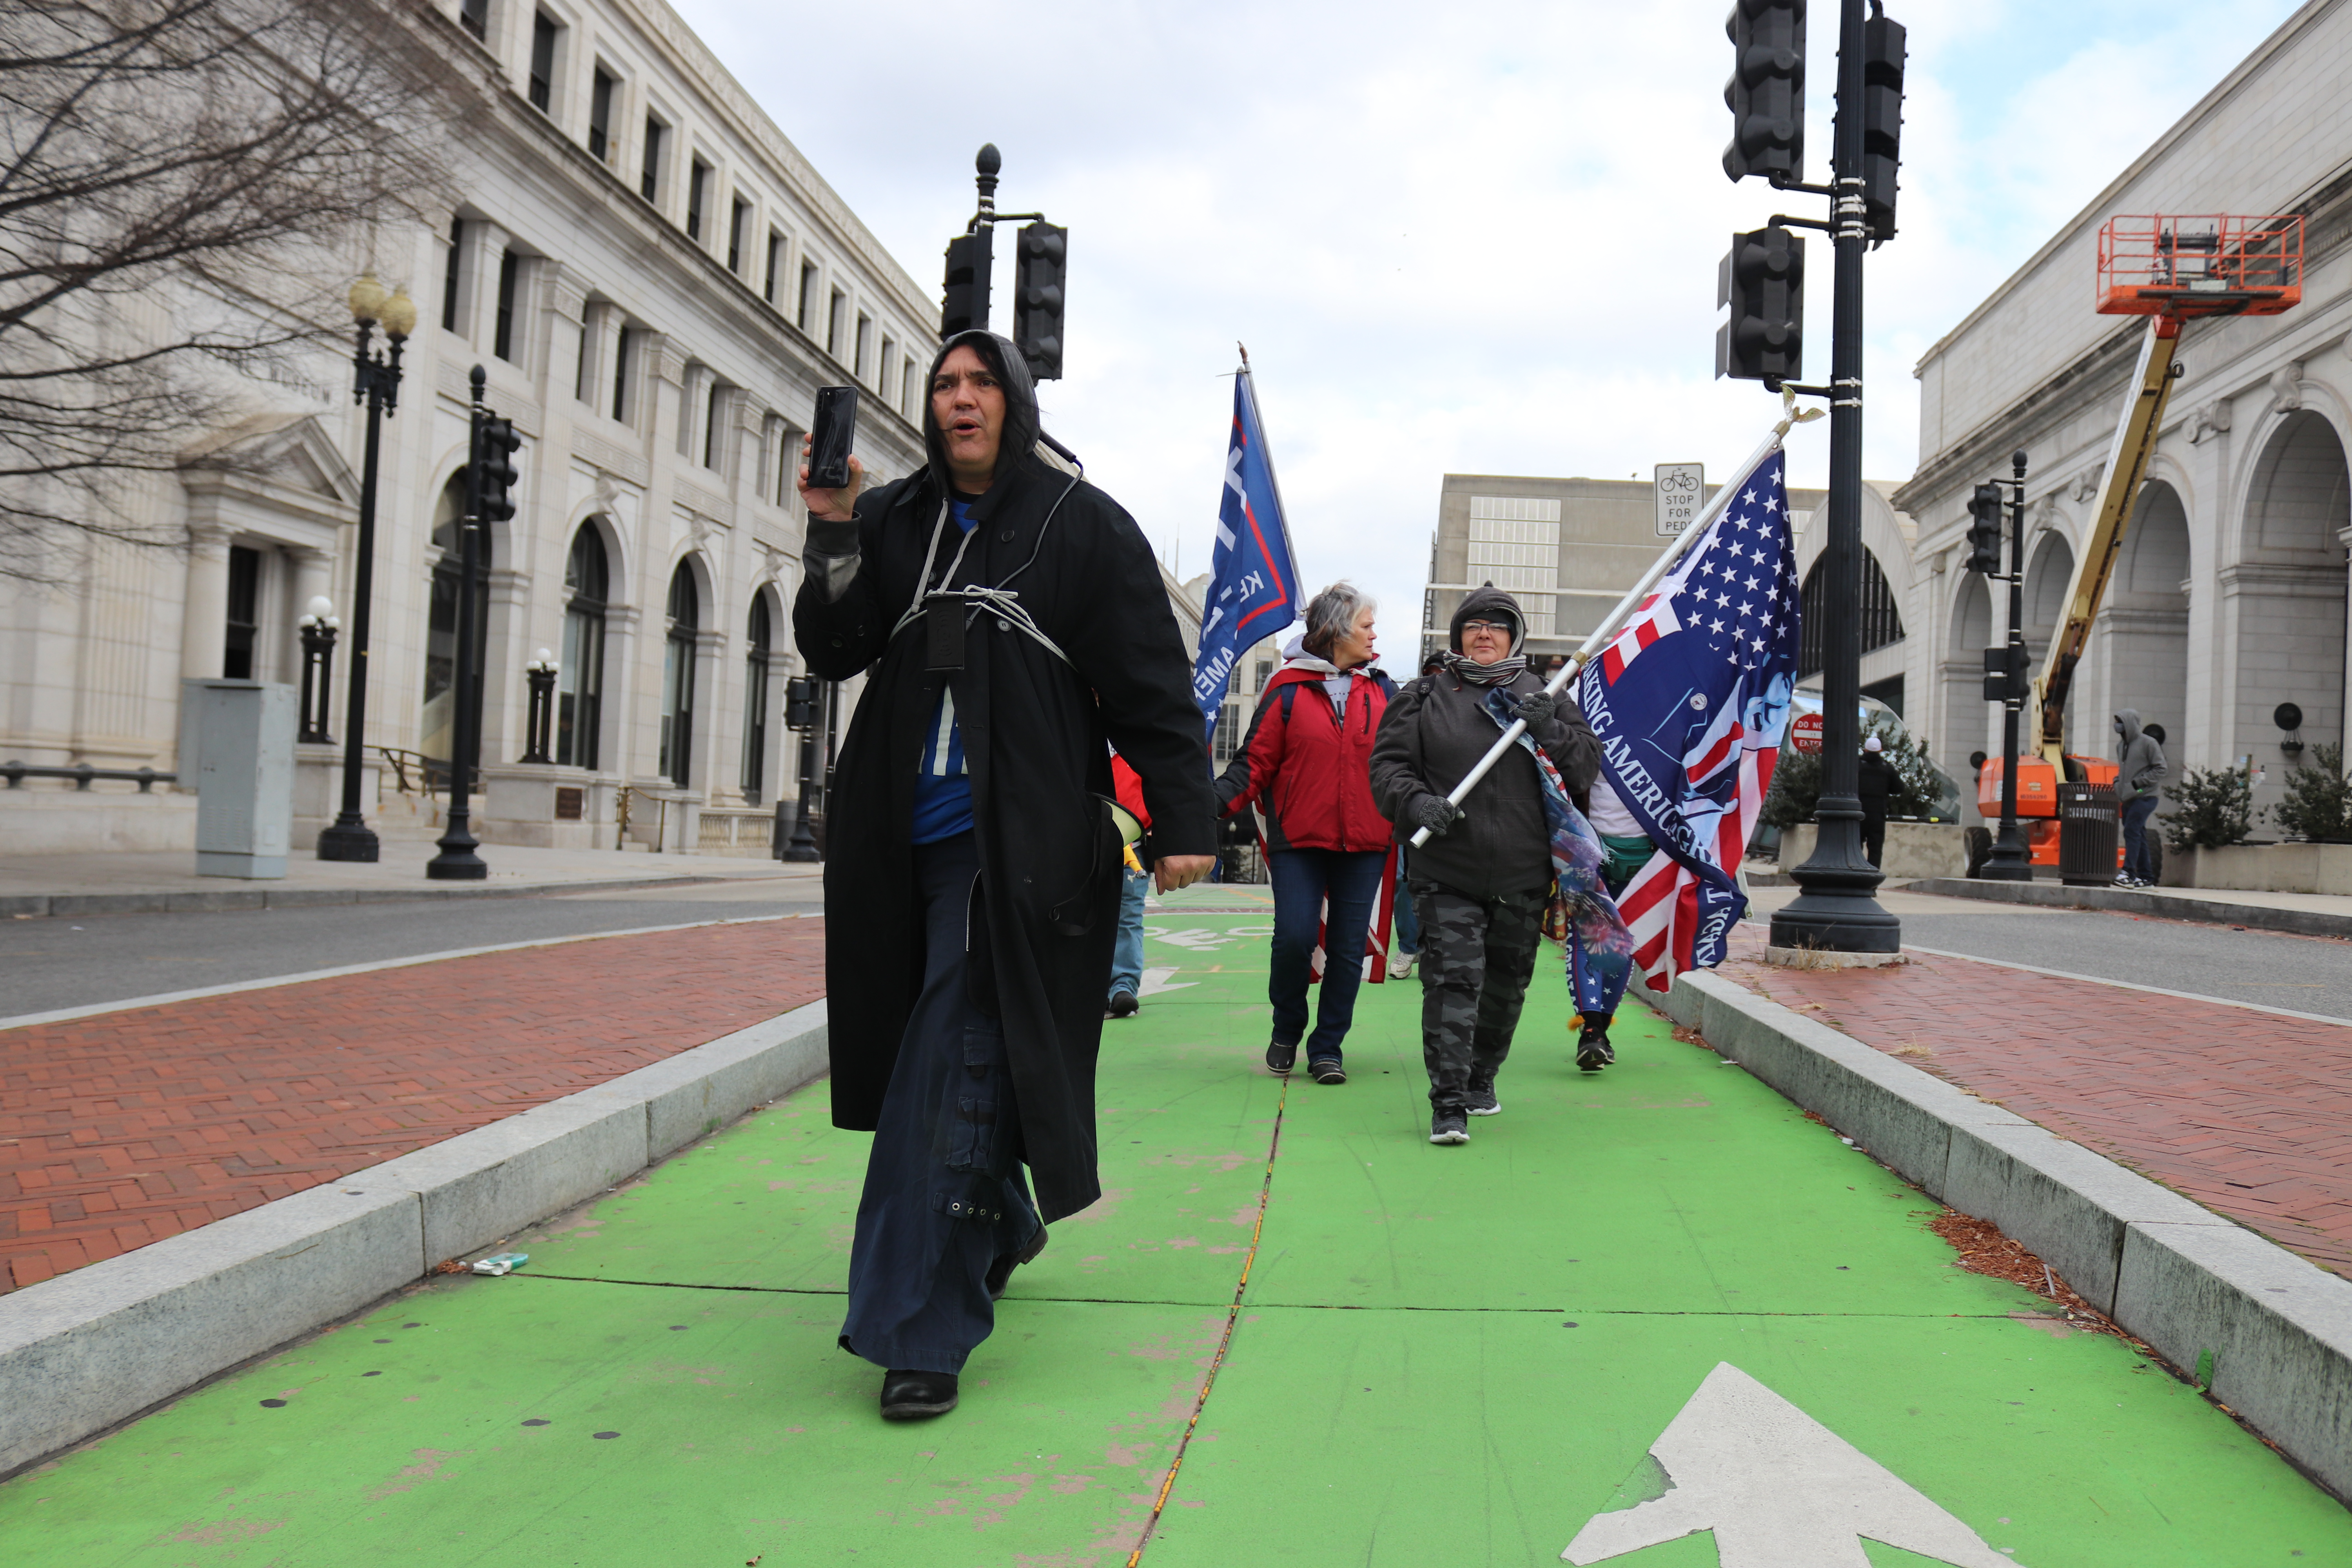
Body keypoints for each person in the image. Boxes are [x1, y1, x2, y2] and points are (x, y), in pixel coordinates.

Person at [793, 329, 1216, 1422]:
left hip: (1022, 854)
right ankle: (1001, 1215)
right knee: (932, 1059)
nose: (961, 399)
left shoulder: (1085, 525)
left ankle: (921, 1328)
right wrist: (830, 527)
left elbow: (1150, 685)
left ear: (1016, 402)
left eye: (983, 383)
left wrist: (1183, 819)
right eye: (945, 384)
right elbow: (834, 646)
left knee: (948, 1054)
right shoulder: (892, 518)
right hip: (900, 844)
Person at [1370, 585, 1600, 1145]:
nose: (1484, 634)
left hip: (1523, 873)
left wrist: (1547, 726)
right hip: (1448, 869)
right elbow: (1388, 769)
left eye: (1497, 626)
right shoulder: (1423, 696)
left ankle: (1480, 1079)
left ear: (1513, 637)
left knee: (1505, 986)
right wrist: (1417, 802)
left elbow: (1586, 767)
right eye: (1474, 625)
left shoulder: (1544, 697)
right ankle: (1448, 1104)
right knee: (1452, 982)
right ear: (1458, 636)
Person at [1214, 583, 1395, 1085]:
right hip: (1299, 839)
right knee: (1294, 938)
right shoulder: (1287, 688)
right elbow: (1253, 764)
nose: (1374, 635)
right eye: (1366, 625)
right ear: (1337, 630)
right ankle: (1286, 1028)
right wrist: (1203, 809)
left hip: (1366, 842)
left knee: (1346, 947)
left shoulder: (1385, 690)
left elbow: (1408, 762)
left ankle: (1328, 1047)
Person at [1105, 749, 1151, 1018]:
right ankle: (1095, 986)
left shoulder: (1137, 732)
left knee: (1128, 916)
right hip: (1081, 838)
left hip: (1132, 843)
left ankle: (1123, 987)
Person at [2114, 709, 2168, 888]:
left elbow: (2161, 769)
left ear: (2129, 723)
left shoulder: (2149, 743)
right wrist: (2118, 784)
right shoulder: (2121, 746)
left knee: (2132, 830)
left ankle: (2128, 873)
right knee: (2139, 834)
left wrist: (2139, 783)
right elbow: (2123, 771)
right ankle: (2146, 878)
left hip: (2146, 796)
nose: (2117, 725)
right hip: (2128, 797)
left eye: (2120, 721)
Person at [1856, 734, 1896, 868]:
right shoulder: (1887, 768)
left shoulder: (1856, 765)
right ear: (1881, 751)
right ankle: (1872, 878)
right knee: (1875, 847)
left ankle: (1855, 873)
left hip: (1857, 812)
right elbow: (1899, 788)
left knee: (1855, 845)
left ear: (1865, 750)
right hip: (1878, 813)